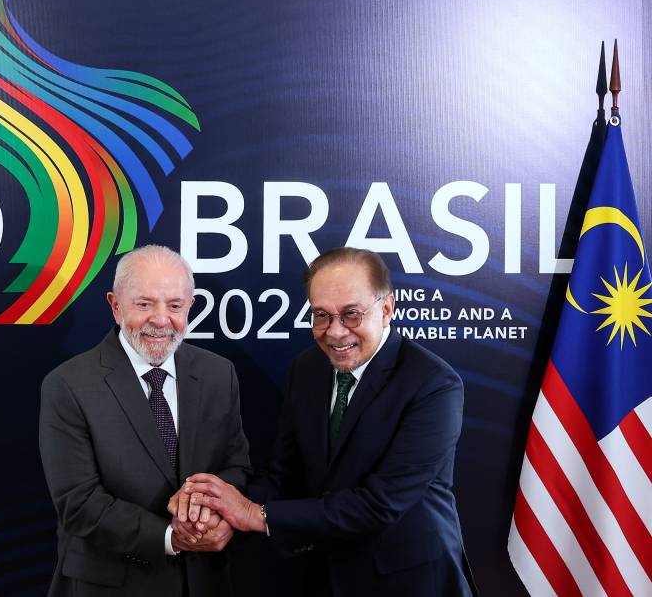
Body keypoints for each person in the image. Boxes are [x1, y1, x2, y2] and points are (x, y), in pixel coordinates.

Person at [172, 247, 477, 596]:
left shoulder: (433, 384)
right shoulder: (307, 369)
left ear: (387, 309)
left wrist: (255, 514)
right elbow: (284, 476)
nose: (335, 332)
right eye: (321, 315)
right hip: (323, 576)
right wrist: (216, 508)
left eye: (351, 315)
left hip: (409, 581)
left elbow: (380, 504)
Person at [39, 244, 251, 597]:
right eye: (144, 304)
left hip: (204, 581)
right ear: (115, 306)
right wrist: (171, 537)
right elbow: (79, 502)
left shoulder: (218, 373)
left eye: (175, 306)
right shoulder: (68, 384)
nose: (161, 319)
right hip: (111, 586)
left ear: (190, 306)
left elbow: (237, 466)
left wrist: (211, 510)